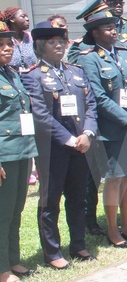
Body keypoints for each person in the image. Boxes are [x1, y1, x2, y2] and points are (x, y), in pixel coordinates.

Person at [21, 23, 98, 269]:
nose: (59, 46)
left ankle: (78, 244)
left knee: (77, 198)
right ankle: (52, 252)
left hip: (81, 146)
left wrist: (87, 134)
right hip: (53, 149)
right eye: (52, 42)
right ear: (40, 47)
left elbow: (92, 105)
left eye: (61, 41)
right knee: (49, 201)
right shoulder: (33, 75)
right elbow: (40, 116)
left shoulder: (75, 71)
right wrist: (69, 139)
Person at [77, 9, 127, 248]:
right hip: (111, 130)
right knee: (115, 179)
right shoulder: (89, 58)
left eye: (115, 27)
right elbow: (98, 97)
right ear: (95, 32)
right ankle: (112, 229)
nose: (114, 31)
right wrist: (126, 119)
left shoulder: (125, 54)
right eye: (107, 28)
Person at [0, 30, 39, 282]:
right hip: (4, 155)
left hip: (23, 151)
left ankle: (13, 259)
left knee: (16, 210)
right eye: (1, 45)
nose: (7, 48)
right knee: (2, 213)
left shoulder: (12, 74)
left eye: (9, 44)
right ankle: (2, 268)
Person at [3, 6, 36, 71]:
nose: (27, 19)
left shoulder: (30, 38)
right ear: (12, 19)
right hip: (12, 78)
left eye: (27, 17)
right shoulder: (5, 39)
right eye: (23, 16)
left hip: (31, 78)